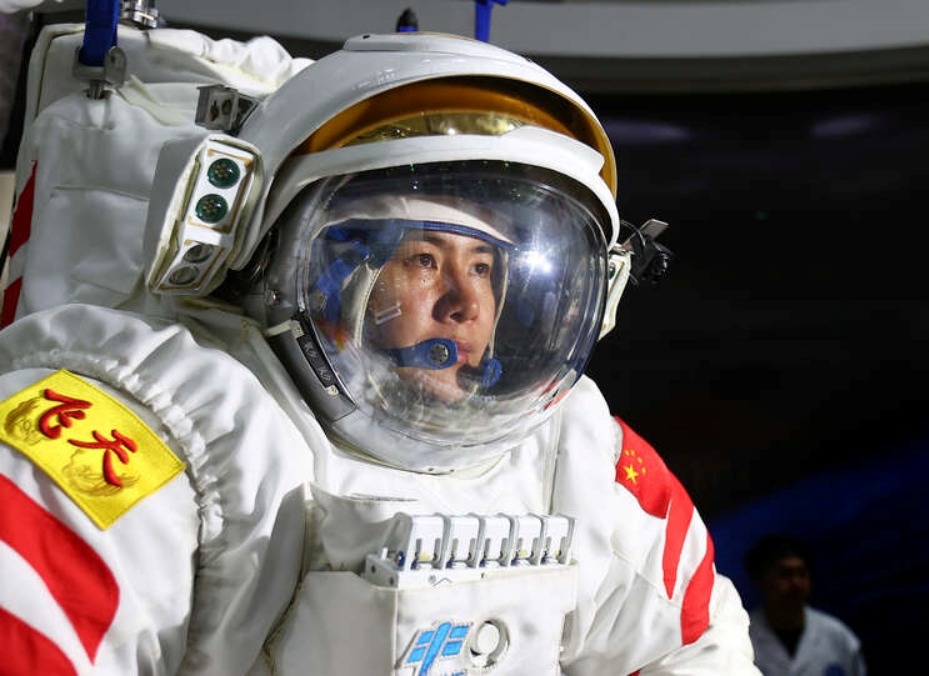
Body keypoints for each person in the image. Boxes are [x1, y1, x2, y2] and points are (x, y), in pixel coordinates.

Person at [0, 3, 762, 674]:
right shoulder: (151, 437)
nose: (468, 303)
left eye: (489, 267)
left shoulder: (578, 464)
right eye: (424, 258)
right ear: (325, 273)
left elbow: (696, 650)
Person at [744, 534, 867, 676]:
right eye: (785, 574)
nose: (796, 583)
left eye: (802, 573)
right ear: (761, 580)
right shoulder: (740, 636)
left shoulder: (838, 637)